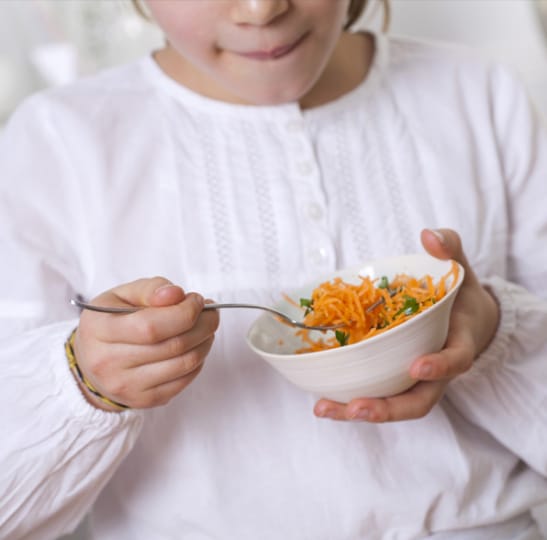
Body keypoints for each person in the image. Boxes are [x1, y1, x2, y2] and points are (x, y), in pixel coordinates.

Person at [1, 0, 546, 538]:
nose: (261, 10)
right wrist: (85, 382)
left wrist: (494, 331)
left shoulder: (480, 94)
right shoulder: (56, 143)